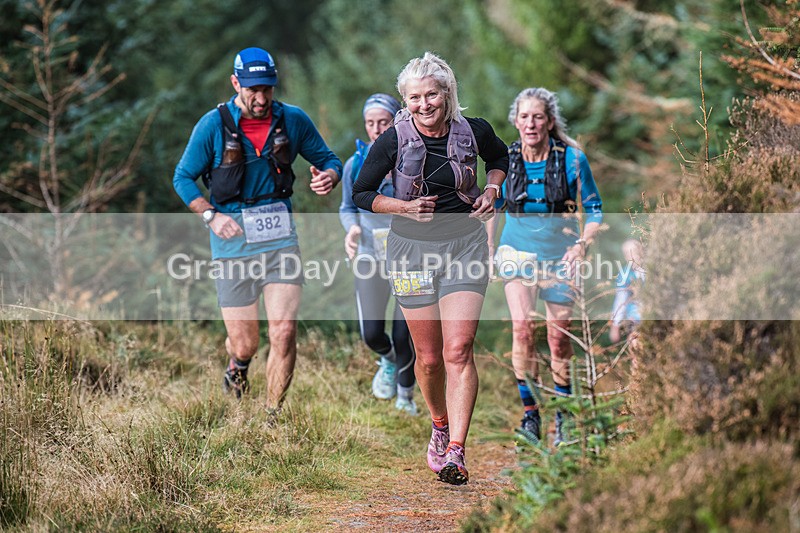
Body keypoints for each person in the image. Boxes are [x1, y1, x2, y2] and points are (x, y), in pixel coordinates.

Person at [352, 52, 508, 485]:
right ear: (405, 101)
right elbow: (362, 192)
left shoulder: (474, 130)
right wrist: (403, 207)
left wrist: (492, 189)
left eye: (432, 95)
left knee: (459, 349)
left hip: (465, 246)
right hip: (411, 251)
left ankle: (456, 449)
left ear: (448, 93)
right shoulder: (392, 140)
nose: (424, 104)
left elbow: (501, 158)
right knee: (429, 357)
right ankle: (439, 424)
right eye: (415, 97)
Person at [172, 47, 342, 412]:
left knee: (284, 331)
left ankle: (271, 414)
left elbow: (329, 159)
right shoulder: (213, 125)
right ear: (236, 84)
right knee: (245, 343)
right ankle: (238, 363)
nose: (261, 98)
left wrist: (329, 176)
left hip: (281, 240)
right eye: (253, 90)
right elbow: (182, 177)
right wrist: (211, 216)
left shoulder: (293, 120)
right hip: (232, 245)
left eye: (267, 88)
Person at [490, 87, 602, 447]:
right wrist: (489, 248)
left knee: (558, 337)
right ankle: (531, 415)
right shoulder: (505, 159)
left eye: (537, 117)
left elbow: (595, 210)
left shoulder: (572, 159)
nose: (530, 124)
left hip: (560, 256)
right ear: (515, 121)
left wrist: (582, 245)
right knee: (523, 330)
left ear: (549, 122)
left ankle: (563, 415)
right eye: (524, 117)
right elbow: (492, 207)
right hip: (517, 252)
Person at [339, 93, 418, 415]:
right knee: (371, 333)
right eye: (370, 123)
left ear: (396, 123)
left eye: (383, 122)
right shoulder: (355, 164)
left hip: (411, 259)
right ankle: (387, 361)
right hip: (370, 257)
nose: (376, 129)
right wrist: (352, 229)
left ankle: (406, 398)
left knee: (403, 333)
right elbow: (347, 207)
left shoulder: (413, 161)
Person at [610, 238, 645, 351]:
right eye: (627, 254)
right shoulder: (625, 274)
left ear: (641, 251)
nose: (631, 256)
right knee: (635, 347)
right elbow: (621, 300)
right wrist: (615, 324)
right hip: (634, 318)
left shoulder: (651, 270)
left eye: (633, 252)